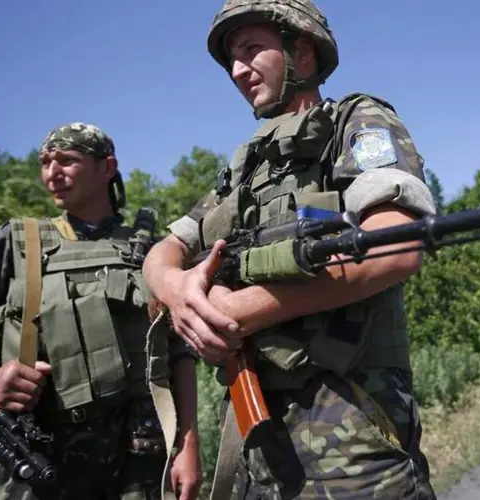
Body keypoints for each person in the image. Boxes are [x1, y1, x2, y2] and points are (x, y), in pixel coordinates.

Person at [143, 0, 438, 498]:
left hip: (355, 443)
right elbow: (162, 251)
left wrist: (242, 308)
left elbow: (398, 243)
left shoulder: (353, 121)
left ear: (301, 52)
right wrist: (178, 293)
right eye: (232, 59)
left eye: (252, 50)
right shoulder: (245, 169)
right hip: (261, 453)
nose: (238, 71)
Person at [0, 123, 203, 500]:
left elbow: (181, 351)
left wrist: (187, 448)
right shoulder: (18, 241)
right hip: (41, 457)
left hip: (141, 459)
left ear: (107, 168)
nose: (52, 173)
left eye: (67, 161)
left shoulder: (153, 253)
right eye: (45, 162)